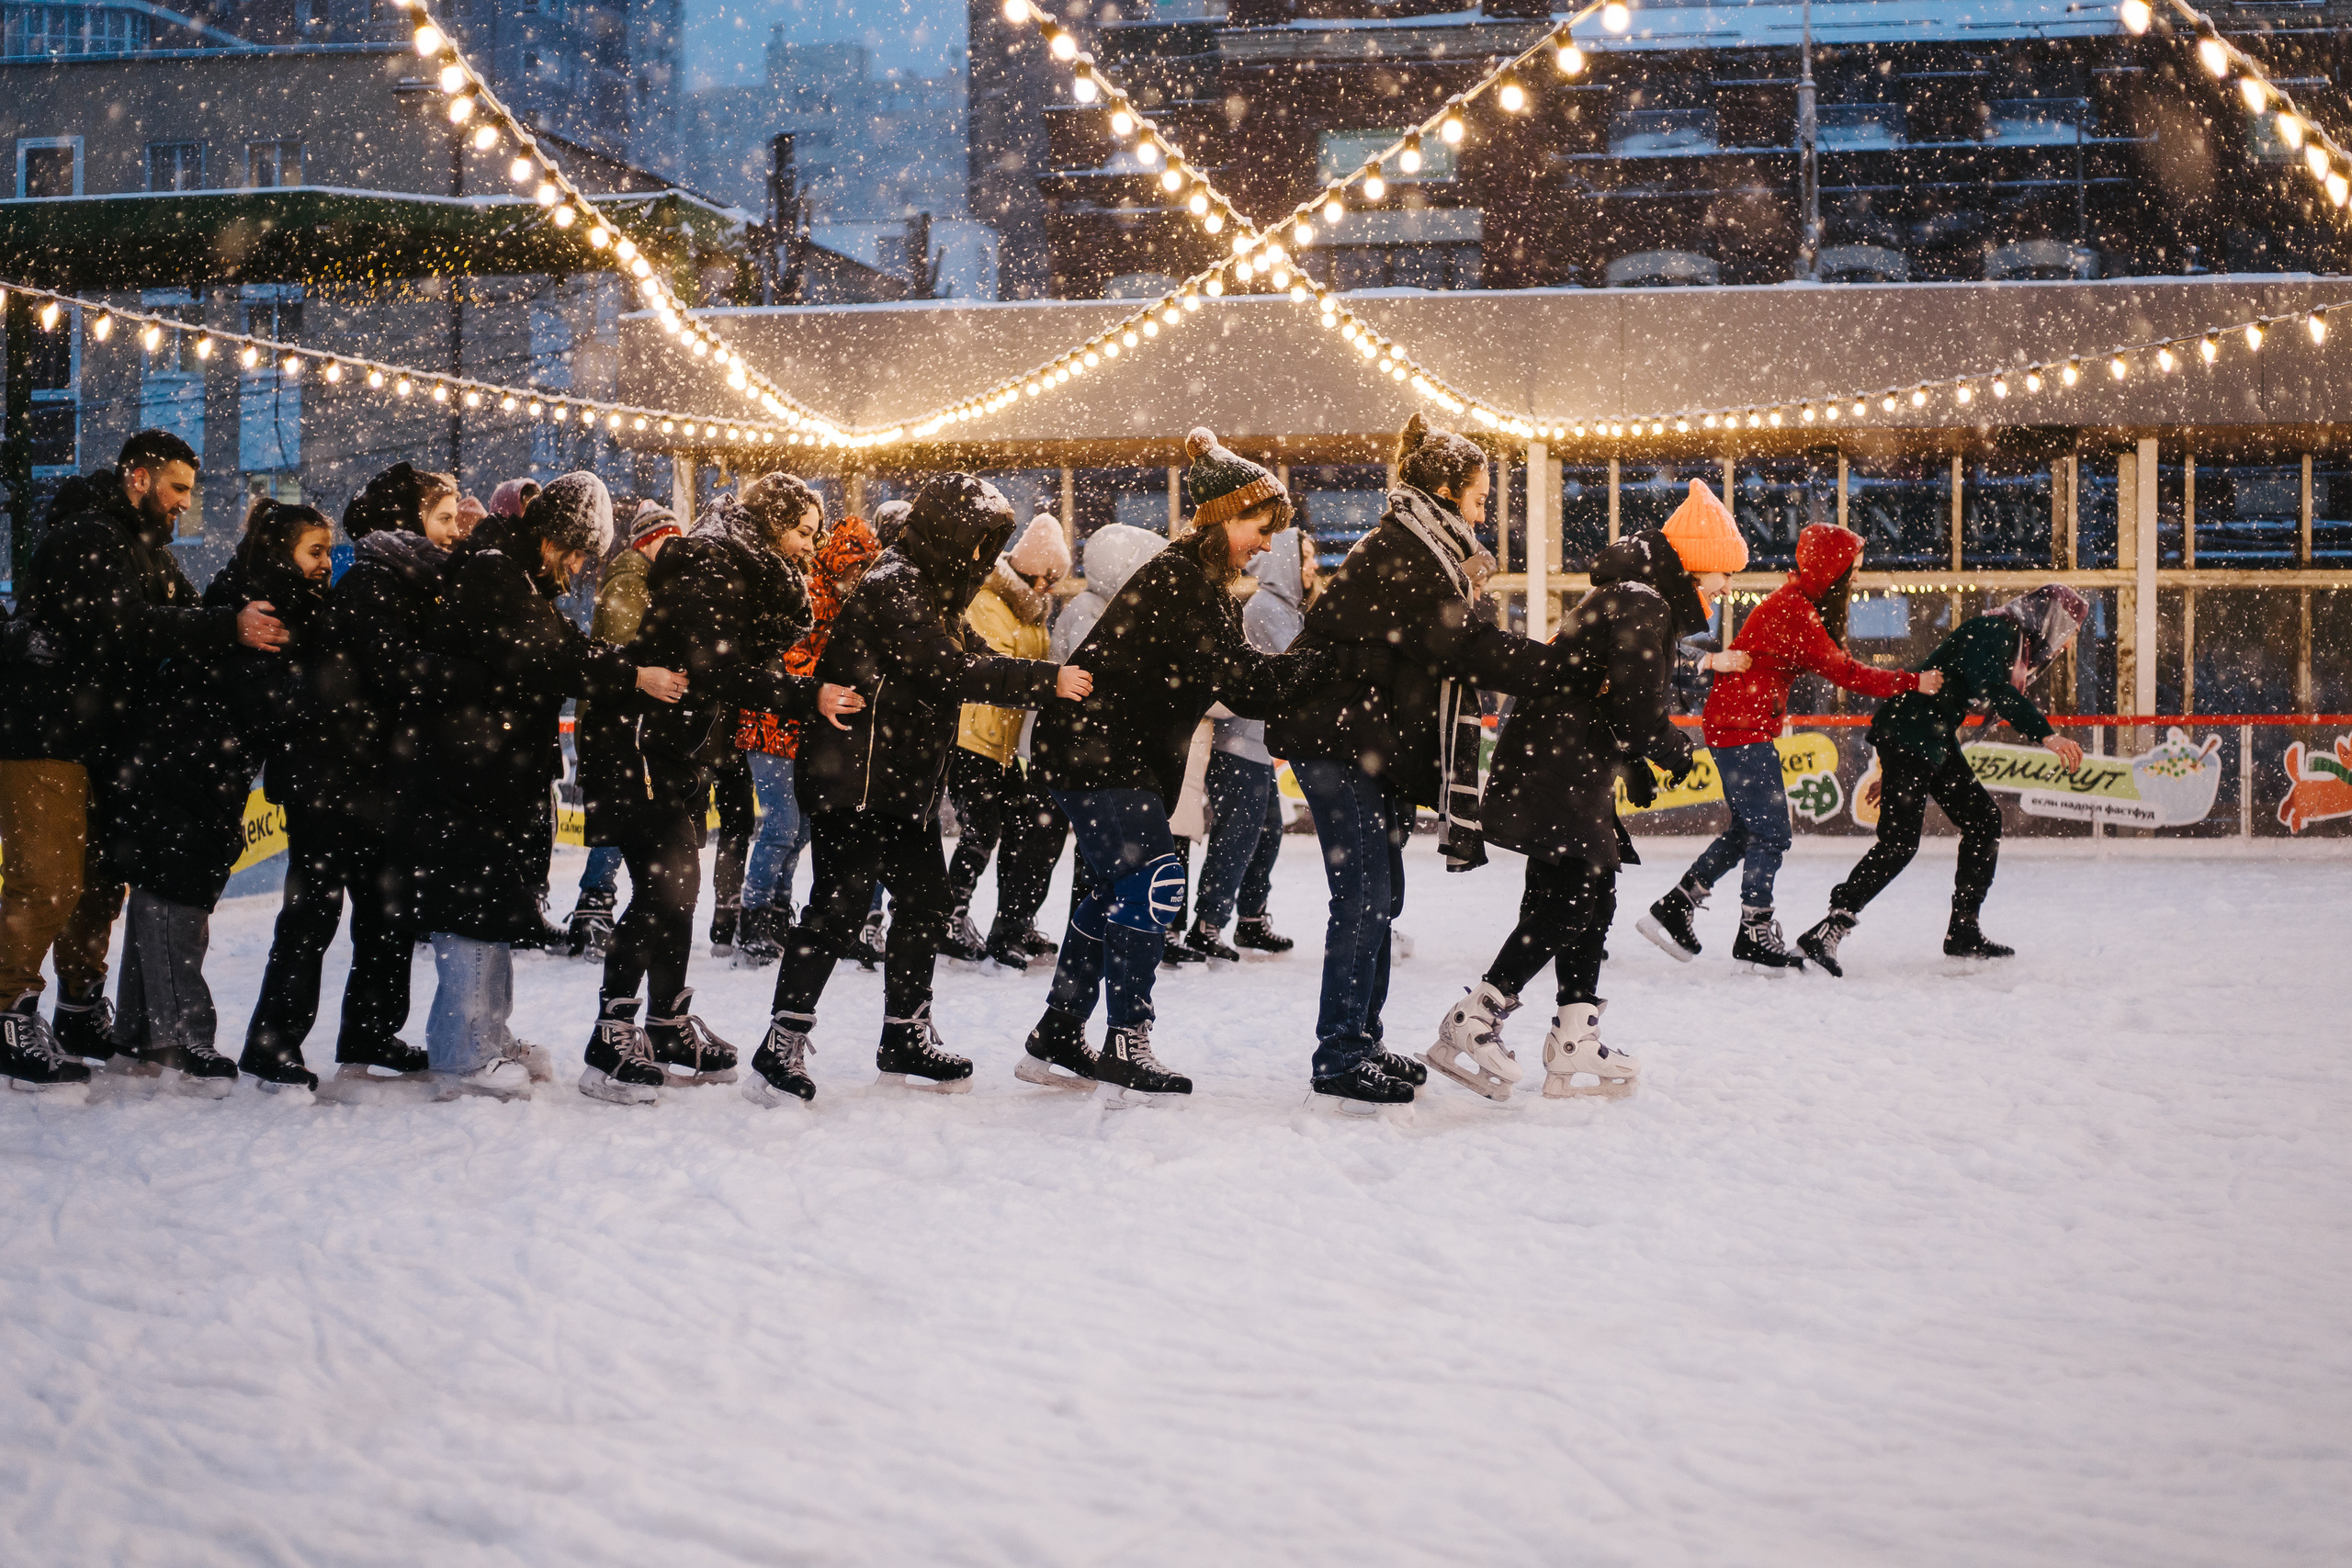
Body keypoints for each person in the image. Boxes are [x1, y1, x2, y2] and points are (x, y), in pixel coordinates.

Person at [742, 474, 1083, 1108]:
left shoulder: (932, 589)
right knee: (838, 909)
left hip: (900, 785)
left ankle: (905, 1031)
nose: (984, 557)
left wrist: (1046, 680)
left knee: (927, 903)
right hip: (855, 778)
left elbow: (969, 651)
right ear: (952, 533)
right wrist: (1046, 681)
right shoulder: (895, 584)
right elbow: (944, 668)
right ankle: (781, 1041)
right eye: (979, 542)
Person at [1265, 413, 1571, 1113]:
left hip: (1361, 743)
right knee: (1365, 895)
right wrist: (1563, 666)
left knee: (1383, 895)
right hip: (1335, 739)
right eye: (1478, 493)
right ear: (1442, 486)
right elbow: (1469, 648)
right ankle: (1341, 1053)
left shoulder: (1426, 546)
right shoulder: (1406, 549)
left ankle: (1361, 1039)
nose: (1485, 507)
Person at [1024, 431, 1339, 1101]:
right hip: (1102, 752)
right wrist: (1323, 655)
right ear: (1224, 516)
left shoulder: (1196, 582)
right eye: (1259, 527)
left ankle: (1058, 1027)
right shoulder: (1183, 581)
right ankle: (1127, 1037)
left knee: (1112, 891)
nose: (1263, 542)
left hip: (1098, 751)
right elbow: (1243, 681)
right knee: (1154, 882)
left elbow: (1238, 678)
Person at [0, 433, 287, 1099]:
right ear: (139, 478)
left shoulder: (144, 548)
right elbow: (128, 626)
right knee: (46, 880)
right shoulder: (90, 538)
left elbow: (186, 612)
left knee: (99, 880)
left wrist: (255, 566)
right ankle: (10, 1011)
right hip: (42, 736)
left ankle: (78, 1008)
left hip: (99, 740)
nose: (185, 504)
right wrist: (227, 627)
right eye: (178, 488)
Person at [1431, 518, 1733, 1101]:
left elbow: (1609, 696)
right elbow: (1638, 704)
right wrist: (1669, 749)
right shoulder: (1644, 601)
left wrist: (1634, 761)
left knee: (1590, 896)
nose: (1725, 587)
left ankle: (1575, 1038)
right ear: (1697, 561)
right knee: (1573, 898)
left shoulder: (1631, 596)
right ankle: (1473, 1018)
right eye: (1724, 572)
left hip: (1565, 763)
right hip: (1556, 768)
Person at [408, 473, 688, 1100]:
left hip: (494, 765)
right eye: (582, 551)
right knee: (471, 907)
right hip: (468, 768)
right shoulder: (495, 572)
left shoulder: (518, 573)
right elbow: (551, 655)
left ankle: (488, 1033)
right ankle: (462, 1053)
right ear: (558, 536)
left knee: (495, 905)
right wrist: (633, 674)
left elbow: (563, 644)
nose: (583, 565)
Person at [582, 473, 859, 1106]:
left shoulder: (743, 567)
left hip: (680, 745)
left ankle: (667, 1022)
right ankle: (611, 1031)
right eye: (802, 532)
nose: (808, 548)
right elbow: (720, 667)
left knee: (679, 887)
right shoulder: (711, 563)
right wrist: (805, 693)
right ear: (772, 523)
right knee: (663, 886)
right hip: (641, 740)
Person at [1638, 514, 1939, 973]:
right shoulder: (1795, 611)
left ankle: (1676, 906)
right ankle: (1754, 930)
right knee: (1773, 832)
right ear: (1830, 569)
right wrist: (1913, 681)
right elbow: (1846, 672)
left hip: (1739, 723)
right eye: (1850, 568)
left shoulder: (1797, 604)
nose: (1855, 577)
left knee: (1748, 830)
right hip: (1742, 727)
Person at [244, 463, 458, 1088]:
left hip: (373, 778)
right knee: (316, 911)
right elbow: (396, 672)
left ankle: (370, 1027)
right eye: (442, 517)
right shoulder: (374, 583)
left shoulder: (407, 580)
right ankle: (273, 1040)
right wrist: (464, 674)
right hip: (333, 777)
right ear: (409, 519)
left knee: (386, 909)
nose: (452, 531)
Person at [111, 502, 333, 1094]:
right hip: (182, 769)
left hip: (200, 769)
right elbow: (258, 698)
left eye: (329, 551)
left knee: (169, 892)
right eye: (315, 551)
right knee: (175, 895)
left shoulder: (267, 602)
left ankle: (136, 1030)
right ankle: (182, 1036)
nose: (325, 563)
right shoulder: (257, 609)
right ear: (280, 550)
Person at [1796, 585, 2087, 975]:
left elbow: (1958, 694)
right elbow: (1996, 691)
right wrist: (2046, 734)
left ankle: (1964, 930)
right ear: (2050, 619)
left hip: (1929, 740)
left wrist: (1896, 769)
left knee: (1983, 820)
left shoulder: (2010, 640)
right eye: (2068, 630)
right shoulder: (1997, 630)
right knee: (1900, 844)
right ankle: (1830, 928)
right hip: (1913, 736)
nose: (2066, 643)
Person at [733, 513, 880, 966]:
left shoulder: (837, 601)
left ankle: (777, 909)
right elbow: (789, 659)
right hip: (770, 721)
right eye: (855, 568)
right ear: (839, 562)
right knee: (781, 824)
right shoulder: (808, 593)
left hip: (798, 726)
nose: (857, 579)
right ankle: (753, 914)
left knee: (797, 829)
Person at [1181, 525, 1316, 960]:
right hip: (1237, 745)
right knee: (1237, 836)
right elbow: (1293, 675)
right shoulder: (1265, 610)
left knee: (1267, 833)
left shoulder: (1286, 609)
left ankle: (1252, 920)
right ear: (1287, 564)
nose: (1314, 565)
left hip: (1255, 746)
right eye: (1307, 557)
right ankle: (1209, 924)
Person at [941, 515, 1070, 970]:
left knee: (1020, 827)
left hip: (1002, 744)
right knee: (982, 829)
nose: (1051, 587)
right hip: (971, 735)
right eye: (1050, 578)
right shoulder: (988, 603)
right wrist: (1043, 680)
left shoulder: (1028, 610)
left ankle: (1013, 921)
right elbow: (993, 671)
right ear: (1034, 571)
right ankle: (949, 917)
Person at [565, 501, 684, 959]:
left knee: (623, 819)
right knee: (619, 819)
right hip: (614, 724)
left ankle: (596, 907)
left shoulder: (643, 580)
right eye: (669, 540)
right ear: (650, 541)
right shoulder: (631, 581)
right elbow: (623, 655)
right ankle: (593, 910)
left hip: (620, 722)